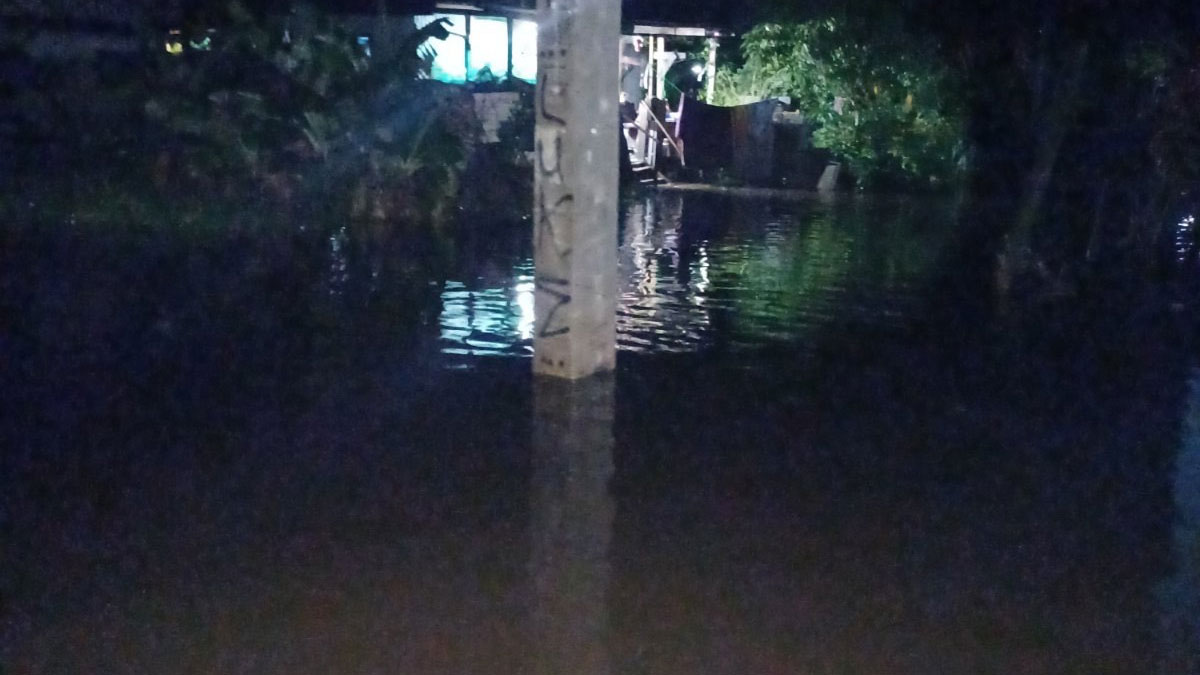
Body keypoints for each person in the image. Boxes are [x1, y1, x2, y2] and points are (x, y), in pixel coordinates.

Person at [619, 36, 647, 122]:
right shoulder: (623, 46)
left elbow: (642, 62)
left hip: (632, 91)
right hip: (627, 91)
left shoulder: (642, 57)